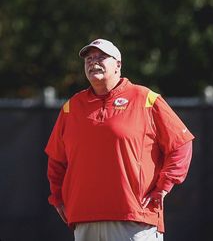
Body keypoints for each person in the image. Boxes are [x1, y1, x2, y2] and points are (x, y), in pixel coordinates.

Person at [45, 38, 194, 241]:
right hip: (84, 218)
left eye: (101, 57)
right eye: (88, 58)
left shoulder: (145, 99)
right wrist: (58, 198)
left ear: (118, 65)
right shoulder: (71, 107)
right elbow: (56, 160)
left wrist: (163, 187)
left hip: (135, 219)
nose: (92, 61)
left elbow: (181, 143)